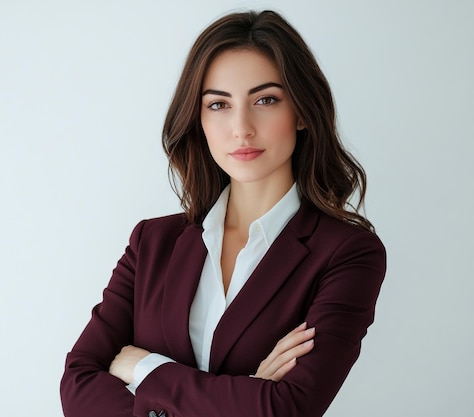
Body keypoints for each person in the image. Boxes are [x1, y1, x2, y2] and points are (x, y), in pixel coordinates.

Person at [60, 10, 386, 417]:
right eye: (218, 104)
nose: (241, 128)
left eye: (265, 100)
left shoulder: (348, 253)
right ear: (198, 119)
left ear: (302, 111)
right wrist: (249, 394)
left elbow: (289, 409)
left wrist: (144, 367)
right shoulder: (151, 243)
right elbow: (77, 387)